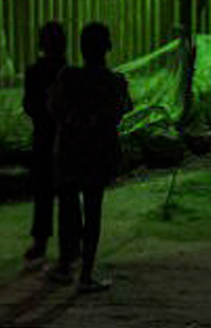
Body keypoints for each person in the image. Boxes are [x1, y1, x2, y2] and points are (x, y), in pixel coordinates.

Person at [48, 21, 131, 294]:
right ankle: (86, 274)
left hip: (70, 153)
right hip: (98, 155)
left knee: (68, 210)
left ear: (82, 48)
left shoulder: (68, 77)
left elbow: (54, 107)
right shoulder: (115, 82)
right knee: (93, 212)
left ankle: (64, 266)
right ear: (107, 47)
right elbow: (122, 111)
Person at [20, 20, 68, 263]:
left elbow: (29, 105)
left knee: (43, 191)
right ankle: (69, 245)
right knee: (66, 194)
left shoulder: (35, 71)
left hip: (44, 135)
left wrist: (43, 115)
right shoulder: (68, 72)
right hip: (66, 136)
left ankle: (41, 241)